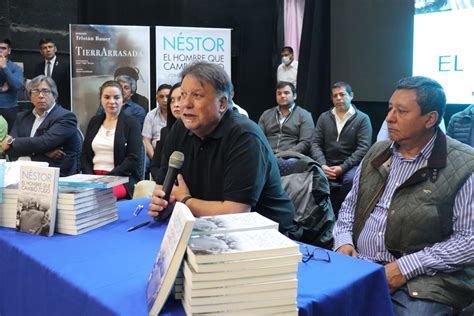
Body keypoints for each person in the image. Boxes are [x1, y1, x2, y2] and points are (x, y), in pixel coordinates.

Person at [333, 76, 474, 315]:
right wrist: (343, 241)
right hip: (360, 265)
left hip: (424, 280)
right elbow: (350, 206)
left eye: (402, 111)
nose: (389, 117)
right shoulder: (378, 151)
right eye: (390, 108)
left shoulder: (464, 165)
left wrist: (404, 268)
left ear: (430, 119)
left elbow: (468, 241)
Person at [148, 62, 301, 239]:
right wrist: (162, 202)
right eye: (182, 95)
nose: (186, 104)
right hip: (205, 229)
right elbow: (162, 187)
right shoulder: (180, 129)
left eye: (197, 95)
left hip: (265, 236)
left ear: (222, 103)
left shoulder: (245, 136)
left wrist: (184, 201)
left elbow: (235, 213)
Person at [310, 81, 372, 213]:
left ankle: (342, 214)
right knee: (311, 174)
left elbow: (363, 148)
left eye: (342, 94)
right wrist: (322, 165)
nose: (338, 98)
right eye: (335, 95)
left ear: (351, 96)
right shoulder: (324, 117)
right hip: (326, 163)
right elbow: (315, 143)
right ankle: (318, 216)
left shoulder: (362, 119)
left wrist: (342, 168)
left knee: (351, 179)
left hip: (350, 165)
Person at [1, 75, 81, 176]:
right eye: (36, 91)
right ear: (30, 97)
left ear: (55, 96)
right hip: (22, 175)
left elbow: (45, 142)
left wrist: (12, 141)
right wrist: (44, 152)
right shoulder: (22, 117)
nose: (41, 95)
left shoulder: (66, 117)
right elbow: (10, 150)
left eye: (45, 91)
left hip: (56, 177)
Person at [82, 80, 143, 199]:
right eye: (107, 97)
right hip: (93, 177)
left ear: (122, 100)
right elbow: (84, 155)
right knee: (74, 197)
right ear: (101, 99)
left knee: (99, 197)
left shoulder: (132, 123)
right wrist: (91, 177)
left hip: (121, 179)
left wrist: (108, 177)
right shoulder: (94, 122)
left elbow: (133, 159)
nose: (112, 101)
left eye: (116, 97)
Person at [258, 81, 314, 155]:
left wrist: (285, 154)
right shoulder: (266, 114)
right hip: (267, 155)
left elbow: (306, 142)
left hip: (292, 157)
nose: (282, 96)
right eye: (279, 93)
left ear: (295, 96)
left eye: (286, 93)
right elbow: (258, 138)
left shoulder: (304, 115)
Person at [150, 82, 181, 179]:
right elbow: (155, 166)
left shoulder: (198, 132)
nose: (175, 105)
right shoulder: (165, 132)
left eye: (180, 99)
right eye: (172, 100)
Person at [33, 38, 71, 110]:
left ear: (55, 49)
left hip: (62, 106)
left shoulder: (66, 65)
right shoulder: (38, 67)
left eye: (50, 47)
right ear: (41, 51)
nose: (48, 50)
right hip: (44, 106)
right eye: (45, 48)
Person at [142, 84, 172, 161]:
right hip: (155, 153)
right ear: (157, 98)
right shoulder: (151, 115)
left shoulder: (179, 114)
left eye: (168, 96)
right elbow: (146, 140)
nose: (165, 100)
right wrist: (155, 159)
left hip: (173, 154)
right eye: (161, 97)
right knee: (143, 161)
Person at [0, 38, 24, 132]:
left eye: (3, 48)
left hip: (9, 109)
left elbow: (18, 86)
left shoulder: (15, 67)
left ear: (9, 51)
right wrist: (2, 89)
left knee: (8, 138)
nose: (0, 50)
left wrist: (4, 67)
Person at [377, 117, 446, 142]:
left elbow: (441, 144)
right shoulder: (390, 118)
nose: (388, 118)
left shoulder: (435, 119)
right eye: (390, 108)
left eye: (402, 110)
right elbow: (380, 143)